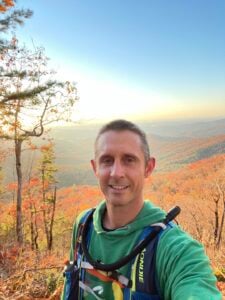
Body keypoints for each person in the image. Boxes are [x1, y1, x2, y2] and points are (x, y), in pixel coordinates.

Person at [62, 119, 222, 300]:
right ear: (95, 168)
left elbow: (195, 286)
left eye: (129, 160)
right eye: (107, 160)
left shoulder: (174, 248)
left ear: (148, 167)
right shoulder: (84, 225)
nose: (116, 172)